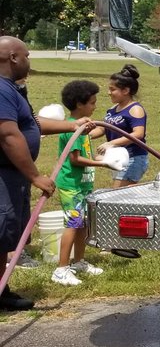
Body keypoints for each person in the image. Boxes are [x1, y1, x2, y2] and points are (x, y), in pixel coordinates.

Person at [0, 37, 87, 311]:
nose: (29, 60)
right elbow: (8, 135)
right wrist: (35, 176)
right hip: (4, 174)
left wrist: (72, 125)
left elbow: (32, 125)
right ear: (13, 57)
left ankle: (2, 291)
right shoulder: (1, 90)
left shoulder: (12, 89)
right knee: (1, 230)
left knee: (4, 236)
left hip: (11, 176)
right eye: (27, 55)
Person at [50, 80, 107, 286]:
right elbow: (75, 159)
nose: (95, 106)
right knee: (73, 224)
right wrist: (103, 164)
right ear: (79, 104)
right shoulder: (70, 129)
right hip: (71, 186)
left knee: (82, 224)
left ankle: (79, 261)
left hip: (83, 184)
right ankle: (61, 269)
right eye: (92, 103)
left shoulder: (83, 127)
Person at [99, 64, 148, 187]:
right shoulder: (113, 108)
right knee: (121, 197)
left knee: (117, 196)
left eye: (112, 89)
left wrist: (111, 143)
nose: (108, 93)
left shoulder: (135, 109)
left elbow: (138, 134)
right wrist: (81, 132)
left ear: (125, 90)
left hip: (133, 159)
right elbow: (102, 128)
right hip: (119, 158)